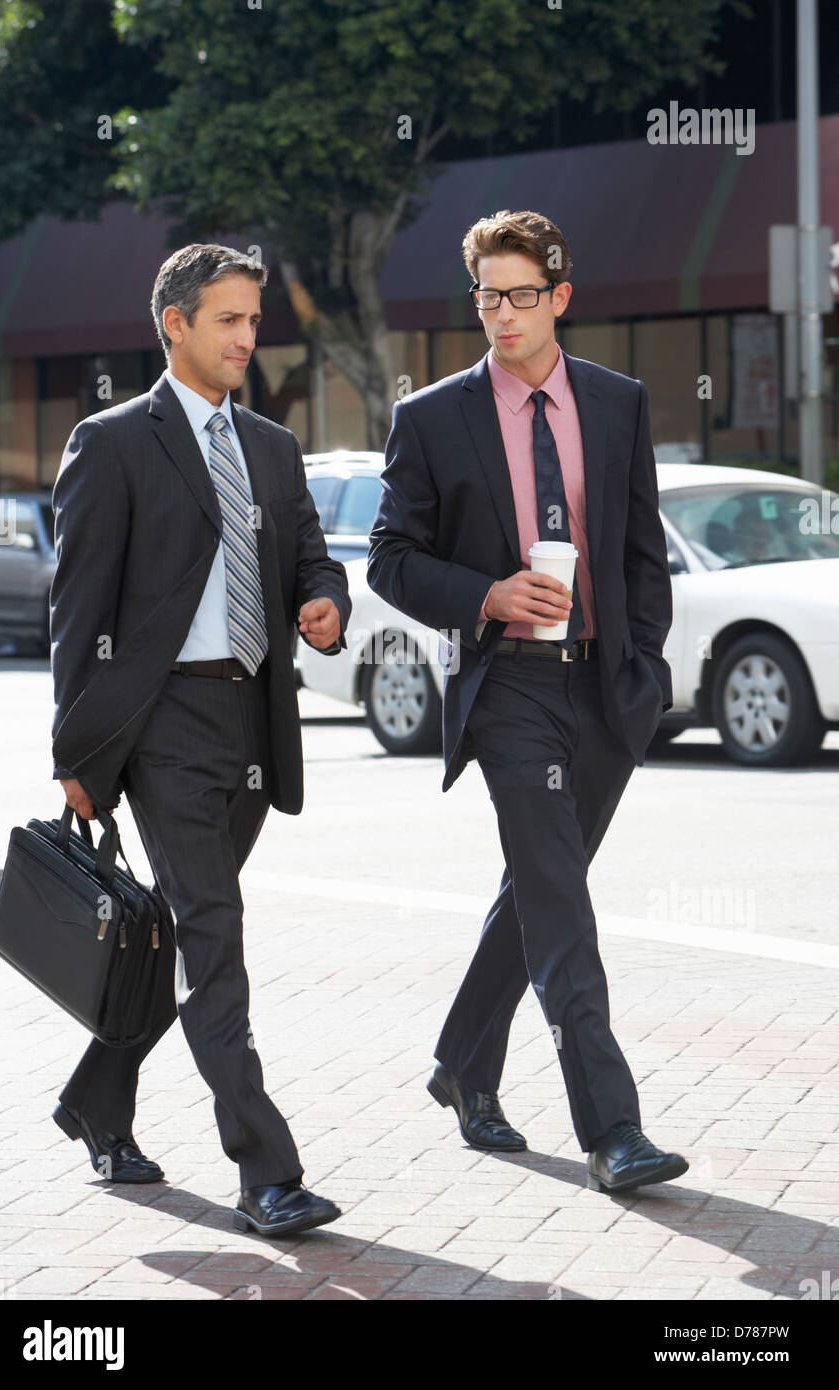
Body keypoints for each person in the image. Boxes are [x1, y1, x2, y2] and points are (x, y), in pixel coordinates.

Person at [367, 209, 688, 1195]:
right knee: (559, 900)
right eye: (484, 296)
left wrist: (639, 673)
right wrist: (488, 594)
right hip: (506, 683)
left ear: (558, 296)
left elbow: (639, 549)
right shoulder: (431, 417)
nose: (498, 314)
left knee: (535, 888)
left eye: (517, 294)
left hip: (601, 685)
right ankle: (613, 1126)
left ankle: (463, 1061)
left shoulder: (618, 402)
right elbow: (388, 558)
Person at [50, 243, 351, 1237]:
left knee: (185, 933)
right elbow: (78, 610)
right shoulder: (113, 441)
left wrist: (321, 602)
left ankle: (97, 1097)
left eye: (252, 320)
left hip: (253, 725)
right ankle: (267, 1172)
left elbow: (311, 556)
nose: (245, 337)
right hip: (163, 728)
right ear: (173, 323)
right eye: (226, 319)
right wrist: (79, 758)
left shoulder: (269, 445)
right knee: (216, 945)